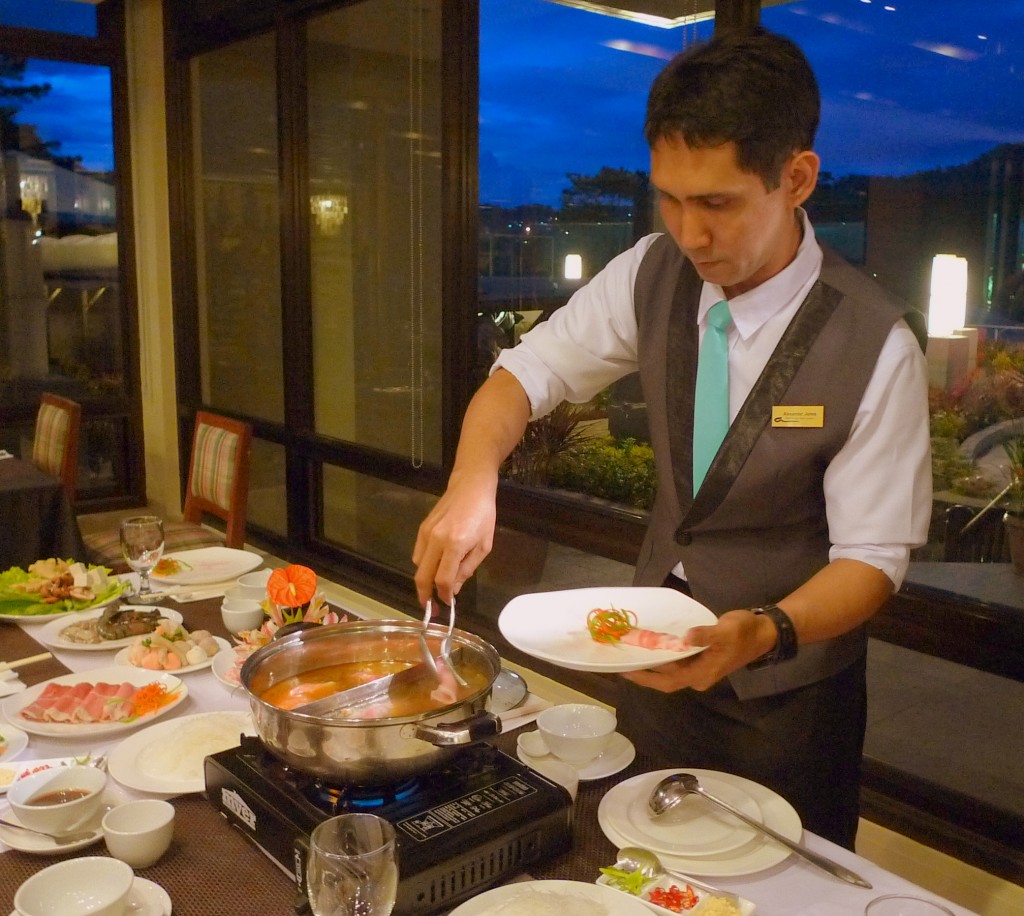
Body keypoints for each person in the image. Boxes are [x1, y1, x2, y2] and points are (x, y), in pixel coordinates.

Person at [413, 26, 931, 849]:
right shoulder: (653, 273)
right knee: (639, 865)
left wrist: (763, 628)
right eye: (669, 198)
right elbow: (522, 378)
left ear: (796, 178)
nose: (689, 234)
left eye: (717, 203)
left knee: (777, 886)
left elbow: (872, 563)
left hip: (789, 698)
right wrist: (471, 483)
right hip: (653, 668)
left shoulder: (875, 342)